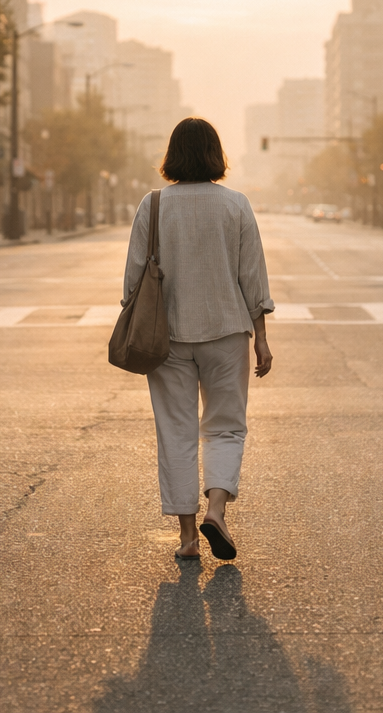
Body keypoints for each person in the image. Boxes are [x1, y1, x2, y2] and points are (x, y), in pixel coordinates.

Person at [122, 117, 274, 561]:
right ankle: (218, 511)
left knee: (176, 431)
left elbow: (133, 280)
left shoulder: (152, 206)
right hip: (226, 333)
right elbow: (253, 277)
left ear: (172, 155)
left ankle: (188, 537)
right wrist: (261, 338)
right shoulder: (236, 205)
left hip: (165, 338)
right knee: (226, 426)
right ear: (216, 155)